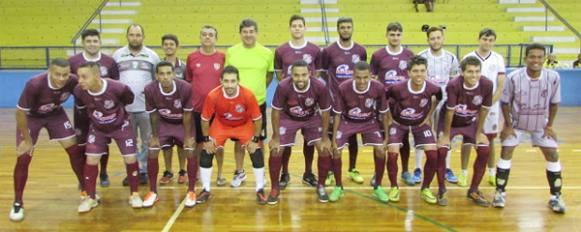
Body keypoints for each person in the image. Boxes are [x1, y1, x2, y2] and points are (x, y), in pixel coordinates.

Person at [9, 58, 85, 221]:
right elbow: (20, 113)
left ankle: (85, 188)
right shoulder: (34, 84)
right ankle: (18, 202)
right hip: (31, 118)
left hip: (55, 115)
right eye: (57, 74)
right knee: (24, 157)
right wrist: (27, 140)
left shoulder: (72, 81)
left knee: (75, 151)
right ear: (49, 71)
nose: (62, 78)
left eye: (65, 74)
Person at [493, 43, 565, 213]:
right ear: (525, 59)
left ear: (544, 59)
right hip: (517, 123)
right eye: (532, 57)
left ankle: (556, 197)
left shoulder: (553, 77)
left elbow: (554, 104)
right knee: (506, 150)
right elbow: (505, 102)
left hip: (541, 123)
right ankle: (500, 193)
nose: (536, 60)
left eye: (540, 57)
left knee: (553, 154)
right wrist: (508, 126)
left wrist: (550, 126)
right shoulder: (514, 77)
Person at [74, 62, 143, 213]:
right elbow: (81, 108)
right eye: (79, 77)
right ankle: (91, 198)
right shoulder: (79, 91)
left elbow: (128, 99)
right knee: (91, 159)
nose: (80, 80)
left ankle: (135, 194)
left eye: (84, 77)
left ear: (97, 76)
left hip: (121, 126)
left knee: (130, 158)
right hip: (97, 128)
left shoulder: (118, 88)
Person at [199, 65, 266, 204]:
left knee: (256, 151)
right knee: (207, 151)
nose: (229, 85)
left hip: (243, 125)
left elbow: (258, 119)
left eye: (233, 81)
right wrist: (206, 139)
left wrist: (255, 139)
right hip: (221, 125)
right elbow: (205, 119)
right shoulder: (213, 95)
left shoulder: (248, 95)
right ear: (221, 81)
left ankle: (260, 189)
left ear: (238, 81)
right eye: (226, 81)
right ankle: (205, 189)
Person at [268, 60, 332, 204]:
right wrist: (276, 137)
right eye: (296, 75)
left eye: (304, 75)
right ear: (291, 75)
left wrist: (325, 137)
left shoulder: (319, 86)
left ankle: (321, 186)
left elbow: (326, 112)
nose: (300, 79)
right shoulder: (284, 85)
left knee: (324, 149)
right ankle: (274, 187)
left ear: (310, 74)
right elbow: (276, 111)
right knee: (276, 149)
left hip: (311, 117)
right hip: (288, 117)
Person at [274, 14, 323, 188]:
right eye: (294, 25)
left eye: (300, 25)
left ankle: (308, 172)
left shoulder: (315, 50)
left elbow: (316, 74)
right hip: (288, 104)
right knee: (285, 142)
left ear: (305, 27)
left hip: (309, 103)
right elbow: (280, 75)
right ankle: (284, 172)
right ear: (290, 28)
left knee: (310, 141)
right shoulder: (281, 50)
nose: (297, 28)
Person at [436, 56, 494, 207]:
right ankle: (441, 189)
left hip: (470, 121)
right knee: (442, 151)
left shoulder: (487, 84)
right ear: (461, 72)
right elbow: (449, 112)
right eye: (470, 72)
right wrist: (447, 136)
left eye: (477, 72)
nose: (474, 75)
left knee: (484, 150)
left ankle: (474, 190)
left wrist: (479, 133)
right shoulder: (453, 85)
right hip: (450, 122)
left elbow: (484, 110)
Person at [384, 56, 441, 203]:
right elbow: (383, 99)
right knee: (392, 154)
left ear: (426, 72)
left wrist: (428, 116)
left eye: (422, 71)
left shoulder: (433, 88)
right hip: (398, 123)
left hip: (420, 124)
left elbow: (438, 98)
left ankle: (426, 188)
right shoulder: (397, 88)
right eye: (415, 71)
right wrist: (390, 118)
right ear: (408, 72)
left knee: (433, 155)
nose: (419, 74)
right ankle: (394, 187)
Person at [225, 18, 274, 188]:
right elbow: (227, 76)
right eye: (245, 32)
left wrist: (256, 93)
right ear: (240, 33)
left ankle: (261, 173)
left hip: (258, 104)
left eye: (251, 31)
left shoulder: (267, 53)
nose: (248, 34)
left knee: (259, 140)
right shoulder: (231, 52)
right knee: (239, 140)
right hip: (236, 105)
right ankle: (239, 172)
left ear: (256, 33)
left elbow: (269, 76)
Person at [332, 61, 389, 202]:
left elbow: (384, 113)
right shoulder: (343, 87)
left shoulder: (379, 87)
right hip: (347, 121)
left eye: (365, 77)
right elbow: (338, 114)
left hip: (369, 121)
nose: (362, 81)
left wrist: (386, 138)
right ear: (353, 76)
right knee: (336, 150)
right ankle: (338, 187)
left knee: (381, 150)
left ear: (370, 75)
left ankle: (378, 187)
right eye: (358, 77)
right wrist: (333, 139)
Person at [143, 61, 198, 207]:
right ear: (156, 76)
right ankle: (153, 192)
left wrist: (187, 137)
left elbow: (187, 115)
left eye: (168, 73)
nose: (165, 77)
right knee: (152, 150)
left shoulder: (185, 88)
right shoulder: (149, 89)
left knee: (190, 149)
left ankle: (191, 191)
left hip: (182, 123)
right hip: (164, 123)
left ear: (174, 74)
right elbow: (153, 115)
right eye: (161, 74)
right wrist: (154, 137)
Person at [69, 28, 119, 187]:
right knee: (83, 143)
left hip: (104, 111)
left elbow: (115, 84)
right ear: (83, 43)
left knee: (103, 142)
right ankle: (86, 174)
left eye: (95, 41)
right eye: (88, 41)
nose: (92, 44)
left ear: (100, 42)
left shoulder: (109, 62)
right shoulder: (74, 62)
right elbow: (70, 84)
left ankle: (103, 172)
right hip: (82, 111)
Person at [321, 17, 368, 185]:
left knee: (353, 135)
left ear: (352, 28)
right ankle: (331, 171)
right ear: (338, 29)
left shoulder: (361, 50)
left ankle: (352, 168)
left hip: (355, 102)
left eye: (348, 27)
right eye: (342, 27)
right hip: (335, 101)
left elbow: (363, 74)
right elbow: (323, 73)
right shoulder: (329, 51)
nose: (346, 30)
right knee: (333, 134)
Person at [113, 24, 161, 186]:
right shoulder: (118, 55)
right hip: (125, 110)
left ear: (143, 37)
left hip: (146, 109)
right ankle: (131, 171)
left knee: (148, 141)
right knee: (128, 142)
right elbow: (113, 81)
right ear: (127, 36)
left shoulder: (152, 56)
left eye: (138, 35)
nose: (135, 38)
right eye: (132, 35)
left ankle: (144, 171)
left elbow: (157, 81)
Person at [370, 21, 415, 186]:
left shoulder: (409, 54)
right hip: (383, 105)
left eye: (398, 34)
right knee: (380, 140)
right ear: (387, 35)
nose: (395, 37)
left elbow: (413, 79)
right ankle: (378, 173)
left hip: (404, 105)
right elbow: (373, 80)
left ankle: (405, 171)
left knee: (403, 139)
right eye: (392, 34)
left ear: (401, 36)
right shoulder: (377, 55)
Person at [460, 28, 505, 187]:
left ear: (494, 41)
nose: (487, 42)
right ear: (479, 39)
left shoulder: (498, 59)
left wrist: (488, 104)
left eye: (491, 40)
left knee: (490, 140)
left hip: (490, 107)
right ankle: (463, 173)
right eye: (485, 39)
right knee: (467, 140)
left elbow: (500, 86)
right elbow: (461, 83)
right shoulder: (468, 57)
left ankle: (492, 173)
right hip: (470, 106)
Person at [416, 26, 460, 185]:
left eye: (438, 37)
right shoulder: (421, 56)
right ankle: (417, 168)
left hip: (445, 104)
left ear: (443, 38)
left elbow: (455, 82)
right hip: (425, 102)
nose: (435, 41)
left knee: (445, 134)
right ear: (428, 40)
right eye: (432, 38)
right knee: (423, 133)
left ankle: (447, 168)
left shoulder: (451, 58)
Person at [185, 25, 227, 187]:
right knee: (198, 143)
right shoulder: (192, 57)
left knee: (219, 144)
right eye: (204, 34)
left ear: (216, 38)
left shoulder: (222, 57)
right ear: (200, 37)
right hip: (198, 109)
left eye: (211, 35)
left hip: (219, 110)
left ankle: (220, 173)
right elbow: (189, 80)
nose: (207, 37)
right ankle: (195, 172)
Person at [158, 34, 188, 185]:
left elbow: (188, 87)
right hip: (164, 112)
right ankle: (168, 171)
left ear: (177, 47)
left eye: (172, 44)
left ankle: (183, 170)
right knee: (166, 145)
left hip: (181, 113)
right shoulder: (157, 66)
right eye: (166, 44)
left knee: (182, 144)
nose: (169, 46)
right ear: (162, 46)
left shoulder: (183, 66)